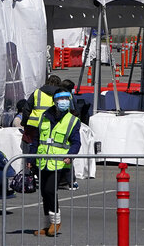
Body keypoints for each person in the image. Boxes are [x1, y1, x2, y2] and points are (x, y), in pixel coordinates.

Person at [35, 89, 82, 237]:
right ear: (55, 101)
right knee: (44, 193)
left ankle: (56, 221)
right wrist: (30, 158)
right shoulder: (45, 117)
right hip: (42, 161)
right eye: (61, 99)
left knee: (50, 190)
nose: (64, 101)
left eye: (67, 98)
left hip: (59, 162)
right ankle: (47, 225)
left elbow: (76, 143)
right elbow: (37, 139)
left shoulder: (73, 121)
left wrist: (70, 155)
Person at [22, 74, 62, 152]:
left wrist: (24, 122)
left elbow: (26, 109)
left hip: (34, 124)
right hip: (52, 125)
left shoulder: (37, 92)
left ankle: (31, 162)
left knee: (33, 147)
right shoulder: (62, 94)